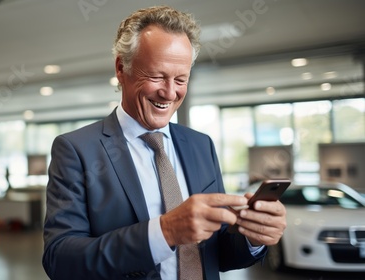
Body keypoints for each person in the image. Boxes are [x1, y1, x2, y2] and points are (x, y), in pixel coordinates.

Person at [42, 6, 286, 280]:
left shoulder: (200, 145)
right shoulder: (76, 150)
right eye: (156, 76)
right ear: (122, 68)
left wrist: (254, 237)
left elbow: (215, 254)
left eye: (181, 79)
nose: (169, 93)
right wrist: (165, 231)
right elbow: (59, 259)